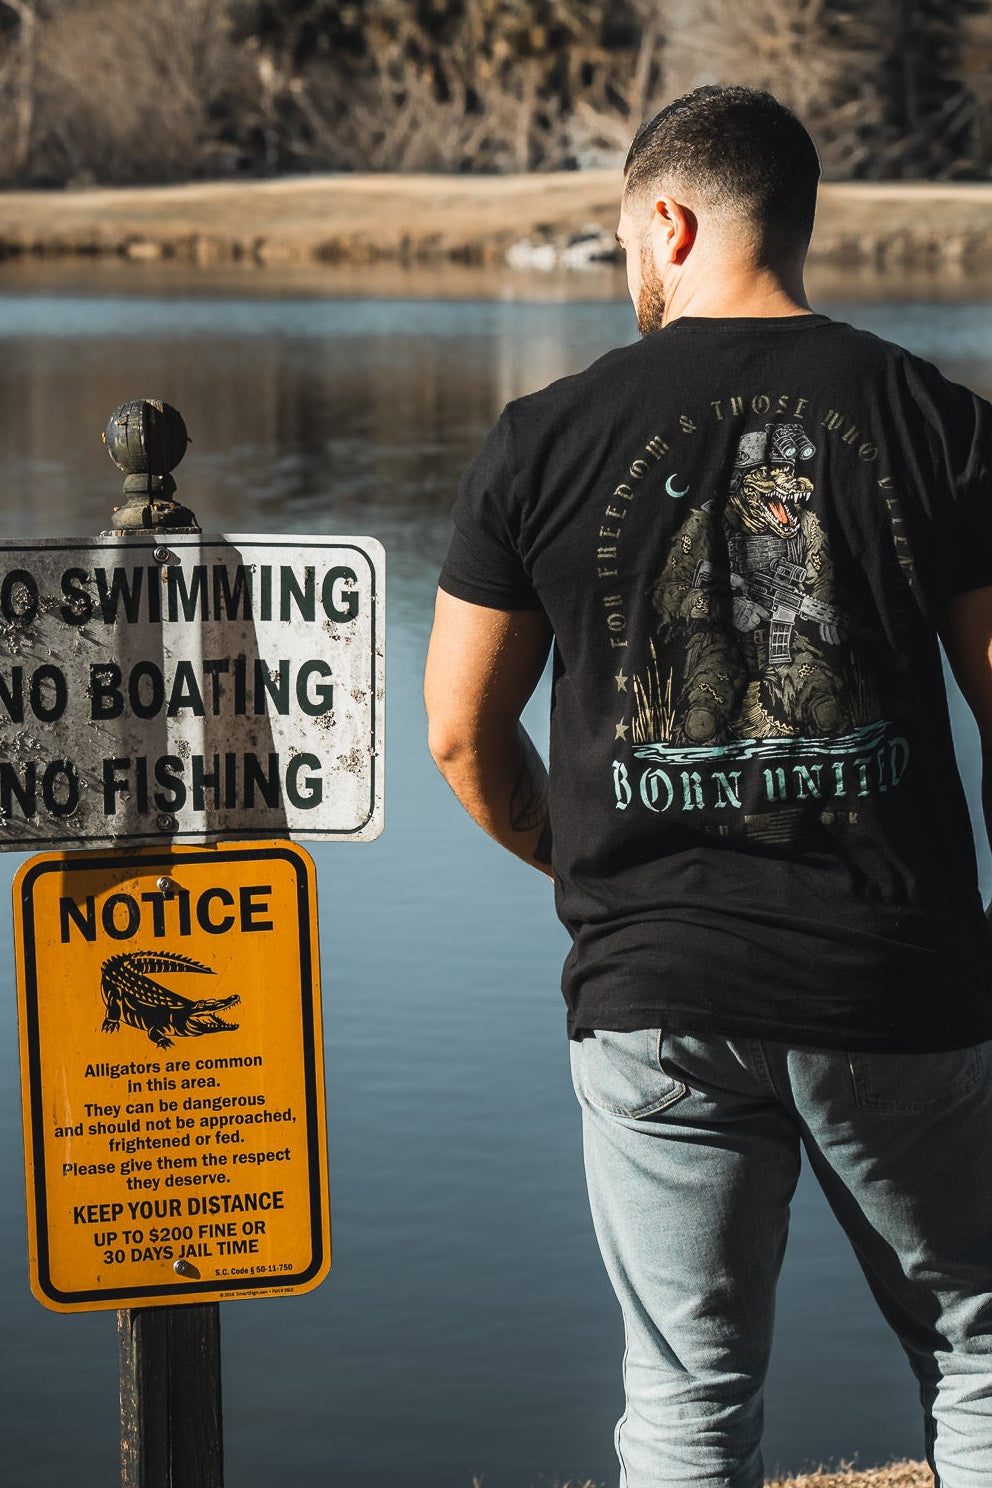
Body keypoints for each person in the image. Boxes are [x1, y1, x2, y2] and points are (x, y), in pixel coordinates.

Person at [423, 84, 992, 1488]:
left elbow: (458, 733)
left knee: (686, 1395)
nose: (627, 263)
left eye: (626, 236)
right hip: (898, 973)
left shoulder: (543, 437)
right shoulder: (937, 422)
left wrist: (601, 874)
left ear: (669, 223)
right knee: (981, 1351)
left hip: (656, 993)